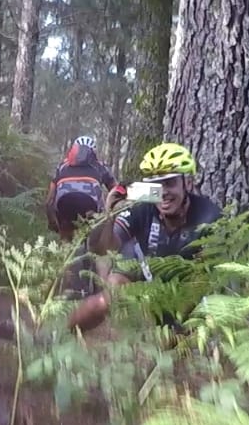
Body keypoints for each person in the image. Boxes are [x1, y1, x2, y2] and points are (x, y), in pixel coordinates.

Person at [67, 142, 221, 334]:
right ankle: (61, 335)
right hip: (143, 275)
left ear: (188, 183)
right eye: (156, 185)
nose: (163, 192)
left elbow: (208, 279)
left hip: (184, 290)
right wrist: (109, 214)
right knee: (106, 298)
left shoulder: (209, 216)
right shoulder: (144, 206)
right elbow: (106, 249)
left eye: (170, 183)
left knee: (183, 327)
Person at [44, 135, 116, 242]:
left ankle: (65, 246)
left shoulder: (62, 166)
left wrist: (52, 222)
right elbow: (115, 191)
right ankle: (93, 245)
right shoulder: (101, 167)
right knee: (93, 232)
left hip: (64, 204)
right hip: (90, 206)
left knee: (65, 235)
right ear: (93, 153)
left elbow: (49, 200)